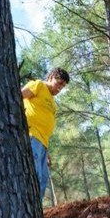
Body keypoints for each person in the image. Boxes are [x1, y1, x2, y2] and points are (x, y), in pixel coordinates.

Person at [21, 67, 70, 198]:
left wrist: (47, 151)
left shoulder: (53, 104)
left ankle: (37, 210)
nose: (60, 88)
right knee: (34, 175)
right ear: (50, 77)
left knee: (43, 179)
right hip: (32, 135)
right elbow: (18, 96)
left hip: (43, 143)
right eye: (58, 83)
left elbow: (46, 124)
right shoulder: (38, 85)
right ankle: (28, 206)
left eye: (63, 86)